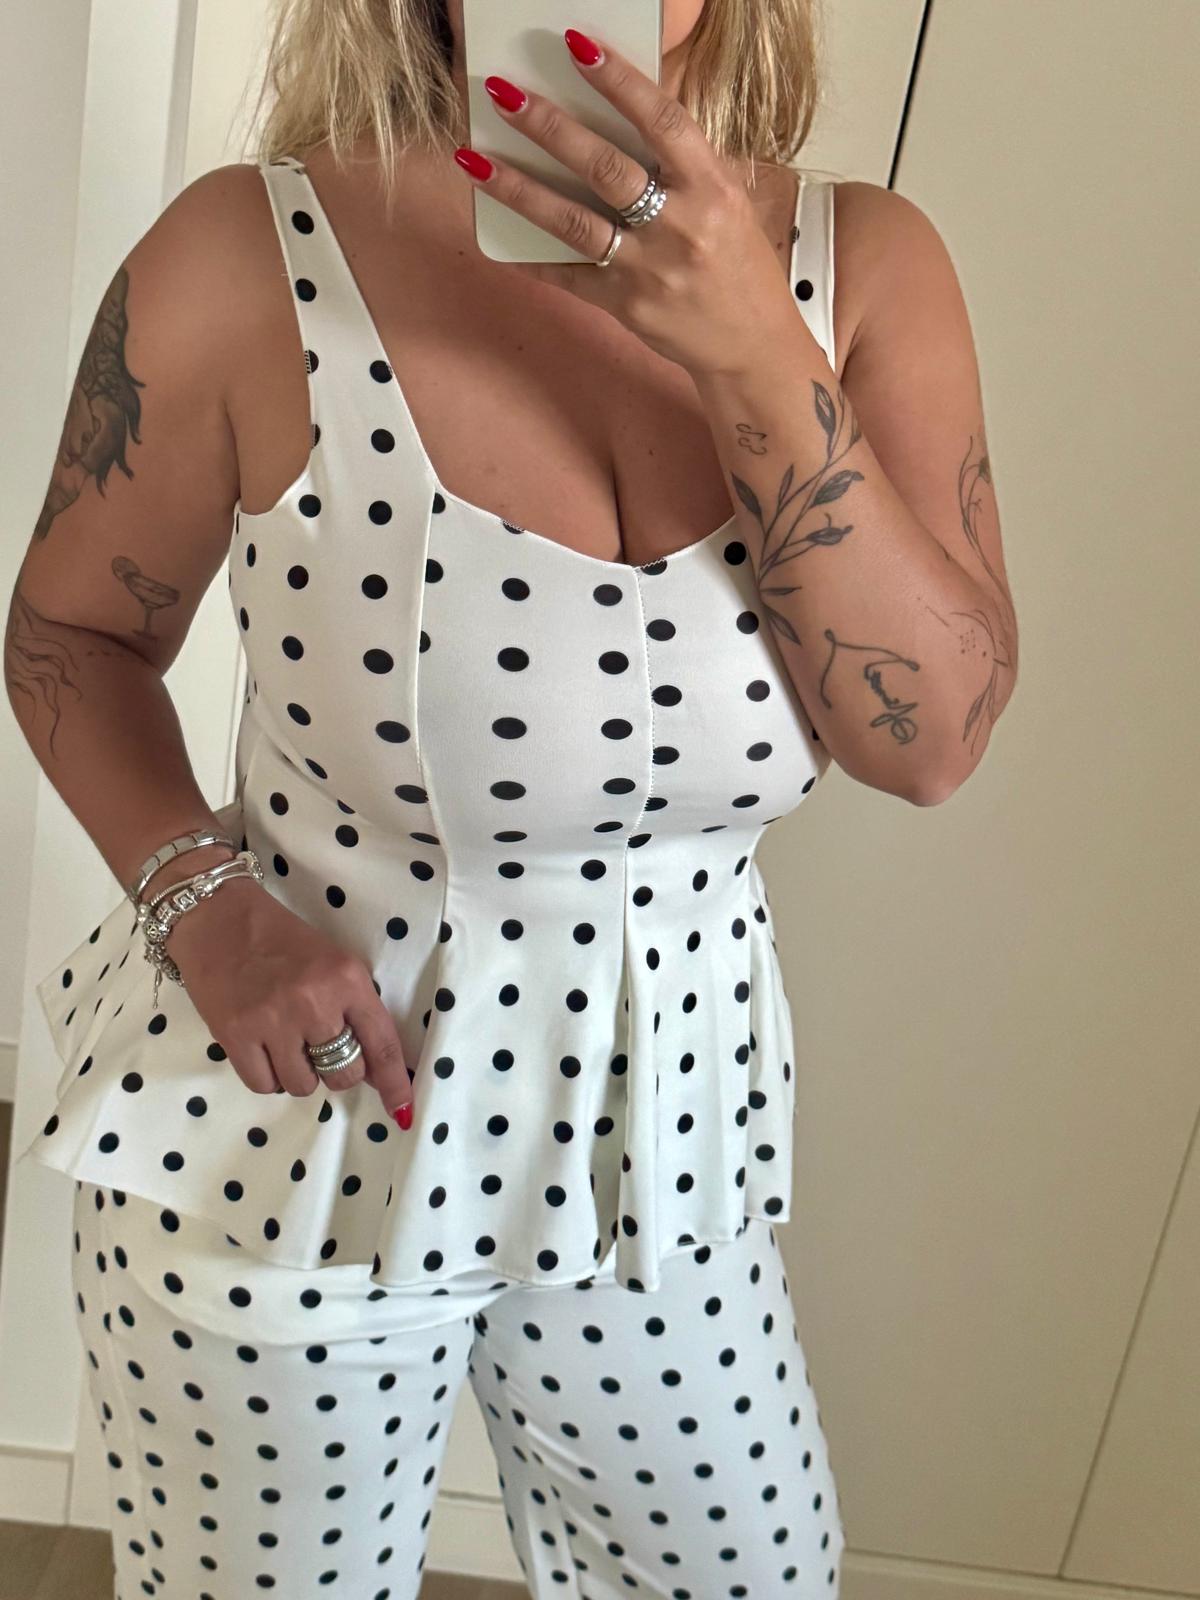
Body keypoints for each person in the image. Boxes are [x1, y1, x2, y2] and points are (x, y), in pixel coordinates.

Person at [7, 0, 1018, 1594]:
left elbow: (932, 741)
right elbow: (69, 632)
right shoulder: (246, 253)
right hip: (298, 1139)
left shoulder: (866, 267)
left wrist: (755, 344)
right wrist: (205, 910)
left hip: (661, 1154)